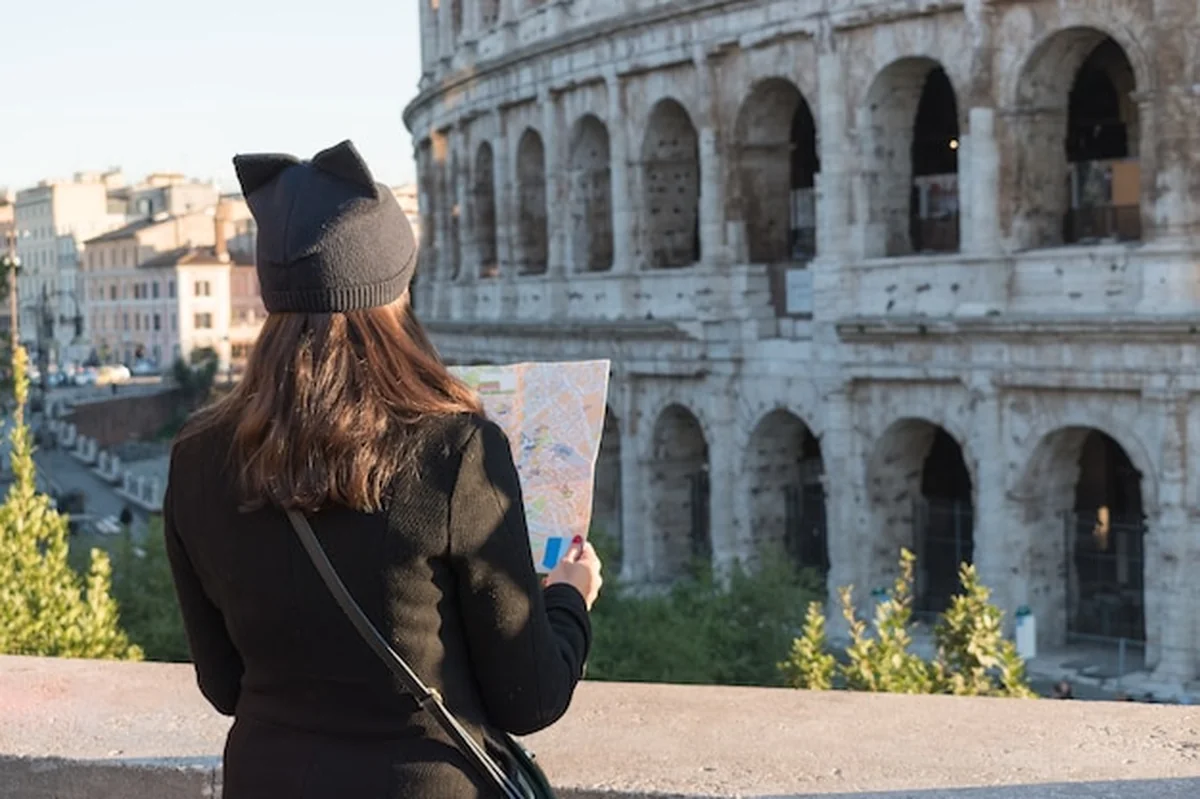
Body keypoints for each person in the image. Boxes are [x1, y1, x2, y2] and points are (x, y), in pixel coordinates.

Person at [163, 140, 603, 798]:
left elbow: (225, 685)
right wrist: (569, 596)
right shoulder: (456, 451)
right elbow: (530, 697)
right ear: (396, 289)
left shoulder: (197, 456)